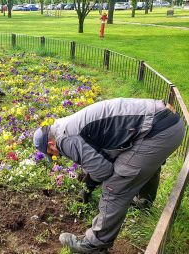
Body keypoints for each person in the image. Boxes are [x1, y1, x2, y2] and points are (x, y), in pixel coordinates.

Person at [33, 98, 184, 253]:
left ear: (51, 145)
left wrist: (88, 186)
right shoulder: (63, 125)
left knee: (116, 186)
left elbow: (103, 170)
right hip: (167, 123)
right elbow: (101, 150)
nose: (56, 156)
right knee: (140, 164)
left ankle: (94, 244)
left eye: (51, 153)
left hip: (157, 133)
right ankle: (144, 202)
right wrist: (88, 177)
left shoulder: (64, 139)